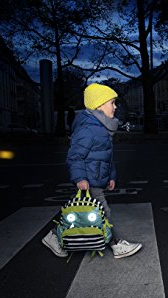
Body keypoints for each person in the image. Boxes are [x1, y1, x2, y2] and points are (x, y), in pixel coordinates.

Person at [42, 83, 142, 259]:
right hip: (89, 179)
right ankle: (116, 245)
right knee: (103, 211)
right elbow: (74, 156)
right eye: (112, 102)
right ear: (99, 105)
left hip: (96, 177)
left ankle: (53, 236)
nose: (115, 106)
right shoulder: (88, 128)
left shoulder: (101, 127)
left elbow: (105, 156)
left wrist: (111, 176)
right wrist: (80, 177)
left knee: (76, 210)